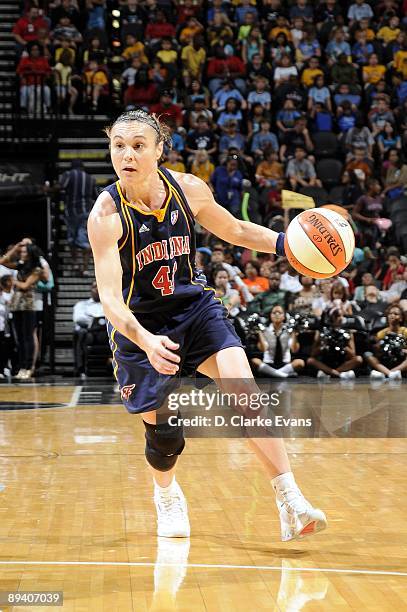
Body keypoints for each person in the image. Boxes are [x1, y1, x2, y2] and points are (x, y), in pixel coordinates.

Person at [88, 109, 327, 543]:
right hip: (139, 325)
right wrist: (144, 339)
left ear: (160, 149)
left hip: (194, 309)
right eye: (118, 145)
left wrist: (286, 245)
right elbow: (108, 300)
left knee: (245, 392)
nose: (127, 154)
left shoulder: (188, 188)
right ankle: (166, 495)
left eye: (138, 145)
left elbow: (234, 229)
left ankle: (289, 499)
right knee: (164, 439)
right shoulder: (106, 214)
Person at [59, 160, 99, 276]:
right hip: (86, 213)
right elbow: (96, 196)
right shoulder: (90, 179)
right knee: (85, 240)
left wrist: (48, 190)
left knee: (72, 239)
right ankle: (85, 268)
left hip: (71, 213)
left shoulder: (68, 174)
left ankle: (75, 263)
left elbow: (60, 186)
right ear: (82, 167)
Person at [251, 304, 305, 378]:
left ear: (284, 316)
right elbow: (263, 349)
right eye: (274, 313)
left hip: (285, 363)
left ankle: (273, 374)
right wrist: (259, 332)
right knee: (254, 361)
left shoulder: (289, 330)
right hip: (268, 363)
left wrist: (294, 333)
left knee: (300, 362)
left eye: (280, 313)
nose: (277, 314)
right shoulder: (265, 330)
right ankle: (283, 375)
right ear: (270, 316)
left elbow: (294, 350)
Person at [366, 304, 407, 379]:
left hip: (401, 361)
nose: (392, 315)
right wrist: (377, 348)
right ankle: (391, 374)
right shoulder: (381, 333)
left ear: (401, 318)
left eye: (396, 314)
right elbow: (377, 351)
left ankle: (389, 373)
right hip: (386, 360)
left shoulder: (405, 331)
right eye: (390, 313)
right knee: (368, 355)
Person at [73, 281, 105, 377]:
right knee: (80, 333)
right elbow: (78, 318)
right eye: (94, 287)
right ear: (91, 290)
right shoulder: (82, 305)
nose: (97, 289)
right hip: (89, 333)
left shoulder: (108, 305)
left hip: (105, 334)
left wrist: (92, 318)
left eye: (99, 286)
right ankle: (81, 369)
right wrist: (96, 321)